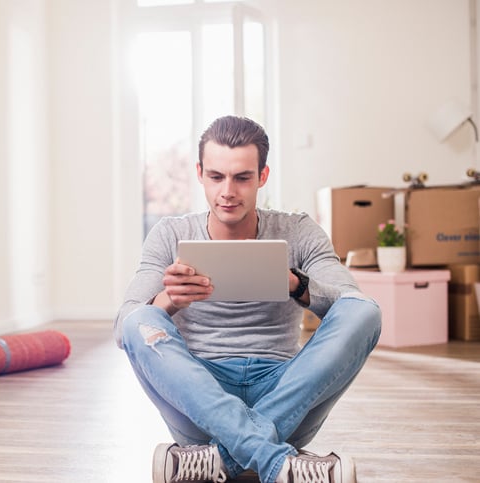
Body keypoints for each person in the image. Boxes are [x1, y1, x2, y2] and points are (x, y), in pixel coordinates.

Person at [113, 115, 381, 483]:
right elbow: (124, 326)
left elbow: (348, 303)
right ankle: (275, 461)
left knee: (365, 311)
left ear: (263, 177)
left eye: (242, 178)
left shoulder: (298, 231)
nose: (228, 191)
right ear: (200, 173)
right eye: (216, 176)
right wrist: (168, 300)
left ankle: (218, 461)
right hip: (200, 396)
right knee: (138, 321)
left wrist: (295, 284)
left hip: (284, 391)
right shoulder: (168, 234)